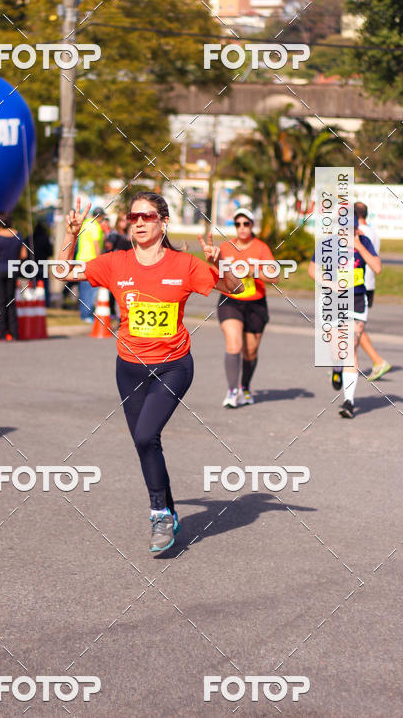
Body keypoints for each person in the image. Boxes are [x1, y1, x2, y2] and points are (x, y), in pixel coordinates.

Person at [56, 192, 243, 554]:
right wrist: (71, 236)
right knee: (147, 442)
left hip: (173, 366)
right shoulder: (115, 262)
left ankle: (158, 513)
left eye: (148, 216)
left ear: (163, 222)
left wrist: (223, 265)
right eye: (134, 216)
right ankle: (170, 511)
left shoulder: (184, 264)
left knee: (144, 436)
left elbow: (235, 288)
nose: (139, 222)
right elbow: (62, 272)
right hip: (129, 368)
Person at [308, 214, 381, 419]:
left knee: (350, 349)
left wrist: (358, 245)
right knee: (337, 349)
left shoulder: (363, 242)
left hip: (357, 300)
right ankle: (336, 367)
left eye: (352, 229)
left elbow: (377, 268)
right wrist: (331, 284)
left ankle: (349, 401)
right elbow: (312, 270)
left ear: (357, 229)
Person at [217, 207, 276, 408]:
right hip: (230, 302)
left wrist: (253, 271)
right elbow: (215, 273)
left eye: (246, 224)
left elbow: (275, 276)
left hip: (256, 304)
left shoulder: (261, 248)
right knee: (234, 344)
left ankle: (245, 386)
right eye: (238, 224)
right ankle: (232, 391)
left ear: (252, 225)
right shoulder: (225, 247)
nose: (242, 228)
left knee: (250, 352)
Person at [354, 202, 391, 382]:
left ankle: (377, 361)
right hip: (368, 283)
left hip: (360, 283)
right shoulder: (373, 231)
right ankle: (342, 364)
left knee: (355, 328)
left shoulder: (360, 233)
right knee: (354, 327)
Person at [0, 213, 27, 341]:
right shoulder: (18, 235)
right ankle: (14, 332)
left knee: (0, 303)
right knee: (11, 301)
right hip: (12, 270)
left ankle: (2, 332)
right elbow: (23, 254)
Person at [75, 206, 106, 323]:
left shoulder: (86, 223)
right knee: (91, 289)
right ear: (100, 216)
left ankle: (84, 313)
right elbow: (96, 244)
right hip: (91, 261)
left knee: (83, 290)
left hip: (80, 259)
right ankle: (87, 315)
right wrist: (100, 262)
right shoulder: (95, 226)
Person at [104, 214, 131, 321]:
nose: (124, 223)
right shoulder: (114, 234)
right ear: (118, 222)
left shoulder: (128, 235)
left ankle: (122, 316)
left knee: (124, 293)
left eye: (126, 221)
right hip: (115, 268)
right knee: (113, 293)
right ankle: (112, 314)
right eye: (122, 221)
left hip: (126, 268)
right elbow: (108, 246)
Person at [33, 221, 53, 307]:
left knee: (33, 285)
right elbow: (50, 252)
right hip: (43, 265)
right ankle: (46, 303)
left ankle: (33, 302)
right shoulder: (45, 238)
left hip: (31, 265)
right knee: (44, 286)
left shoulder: (31, 238)